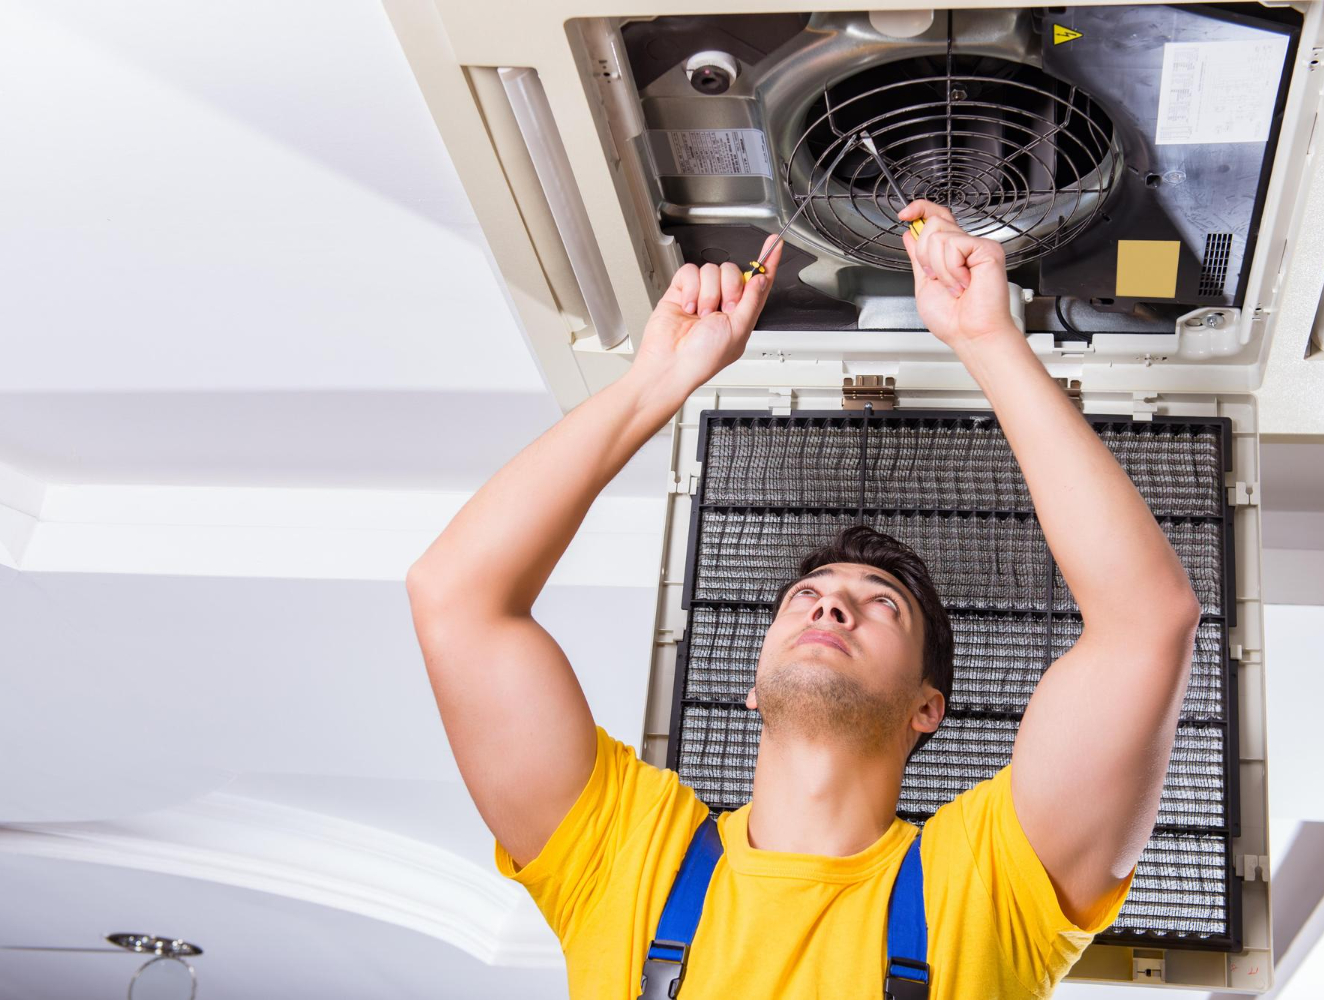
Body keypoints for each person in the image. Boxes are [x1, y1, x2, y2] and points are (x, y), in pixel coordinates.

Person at [404, 200, 1201, 998]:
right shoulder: (625, 852)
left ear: (929, 707)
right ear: (751, 689)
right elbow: (455, 594)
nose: (830, 607)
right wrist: (657, 379)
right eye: (806, 596)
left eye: (882, 603)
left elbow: (1146, 624)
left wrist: (988, 339)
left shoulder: (989, 887)